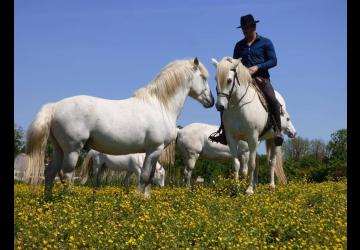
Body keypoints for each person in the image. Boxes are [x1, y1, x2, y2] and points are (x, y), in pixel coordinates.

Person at [209, 14, 284, 146]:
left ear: (253, 26)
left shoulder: (266, 42)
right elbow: (234, 64)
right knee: (225, 99)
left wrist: (258, 67)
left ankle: (277, 130)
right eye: (243, 28)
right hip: (242, 81)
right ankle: (223, 132)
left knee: (272, 99)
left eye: (247, 28)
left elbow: (274, 61)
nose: (244, 30)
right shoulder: (239, 46)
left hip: (261, 78)